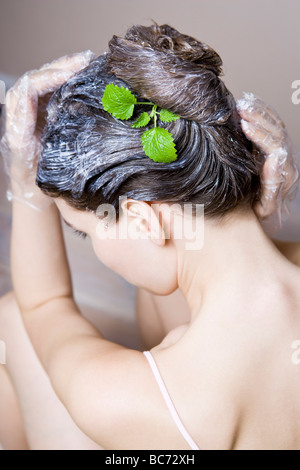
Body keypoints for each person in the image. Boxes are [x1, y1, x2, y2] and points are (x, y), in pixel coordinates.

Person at [0, 24, 299, 450]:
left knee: (11, 319)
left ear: (145, 220)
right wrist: (260, 218)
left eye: (86, 232)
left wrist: (23, 179)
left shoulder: (117, 398)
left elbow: (43, 305)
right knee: (159, 290)